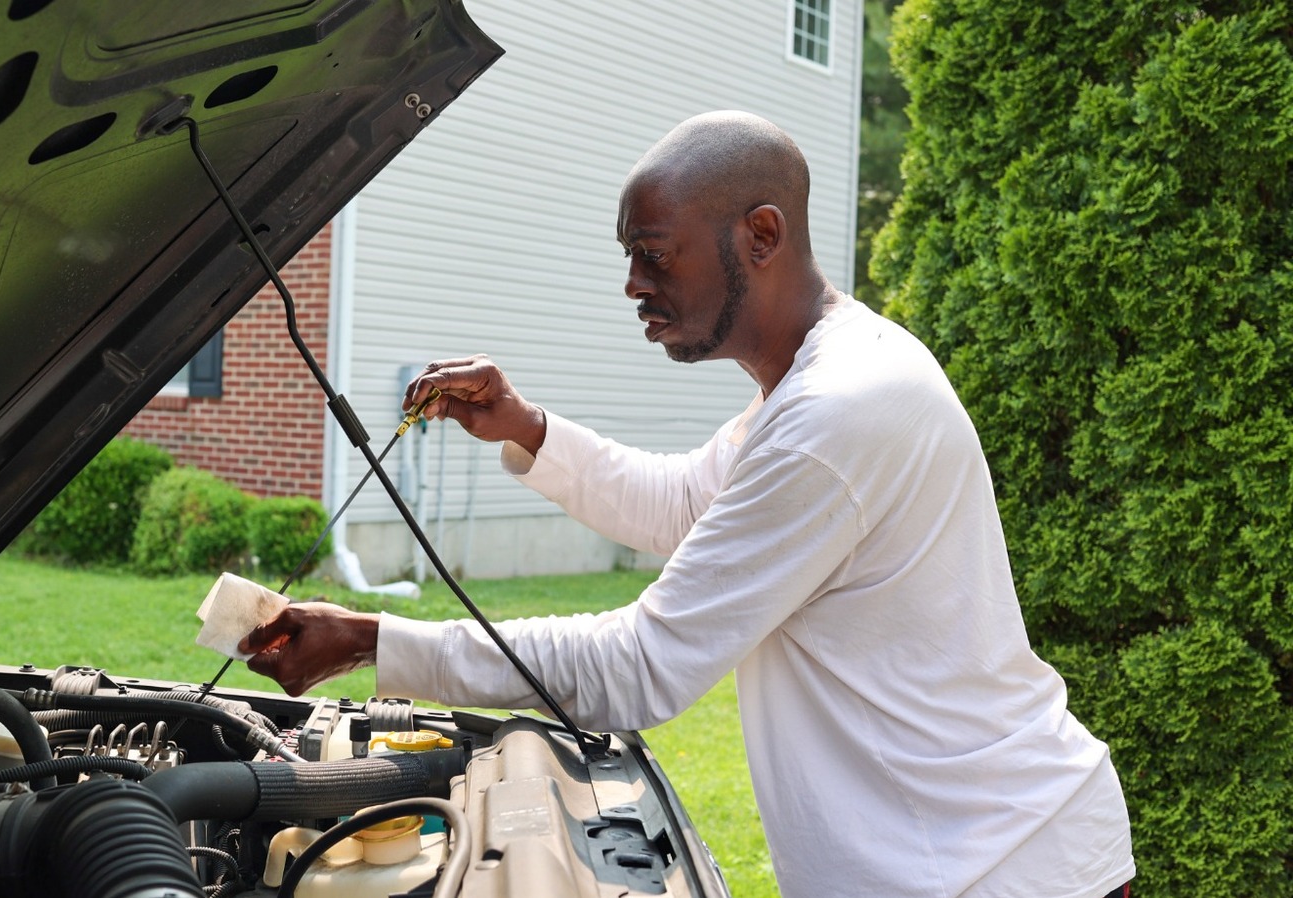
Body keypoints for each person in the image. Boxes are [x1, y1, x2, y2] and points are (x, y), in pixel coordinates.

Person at [238, 111, 1135, 898]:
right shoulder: (809, 385)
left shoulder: (839, 412)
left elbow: (643, 666)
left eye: (654, 254)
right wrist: (528, 427)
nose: (633, 284)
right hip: (957, 854)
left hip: (990, 867)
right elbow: (681, 507)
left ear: (761, 234)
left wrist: (375, 640)